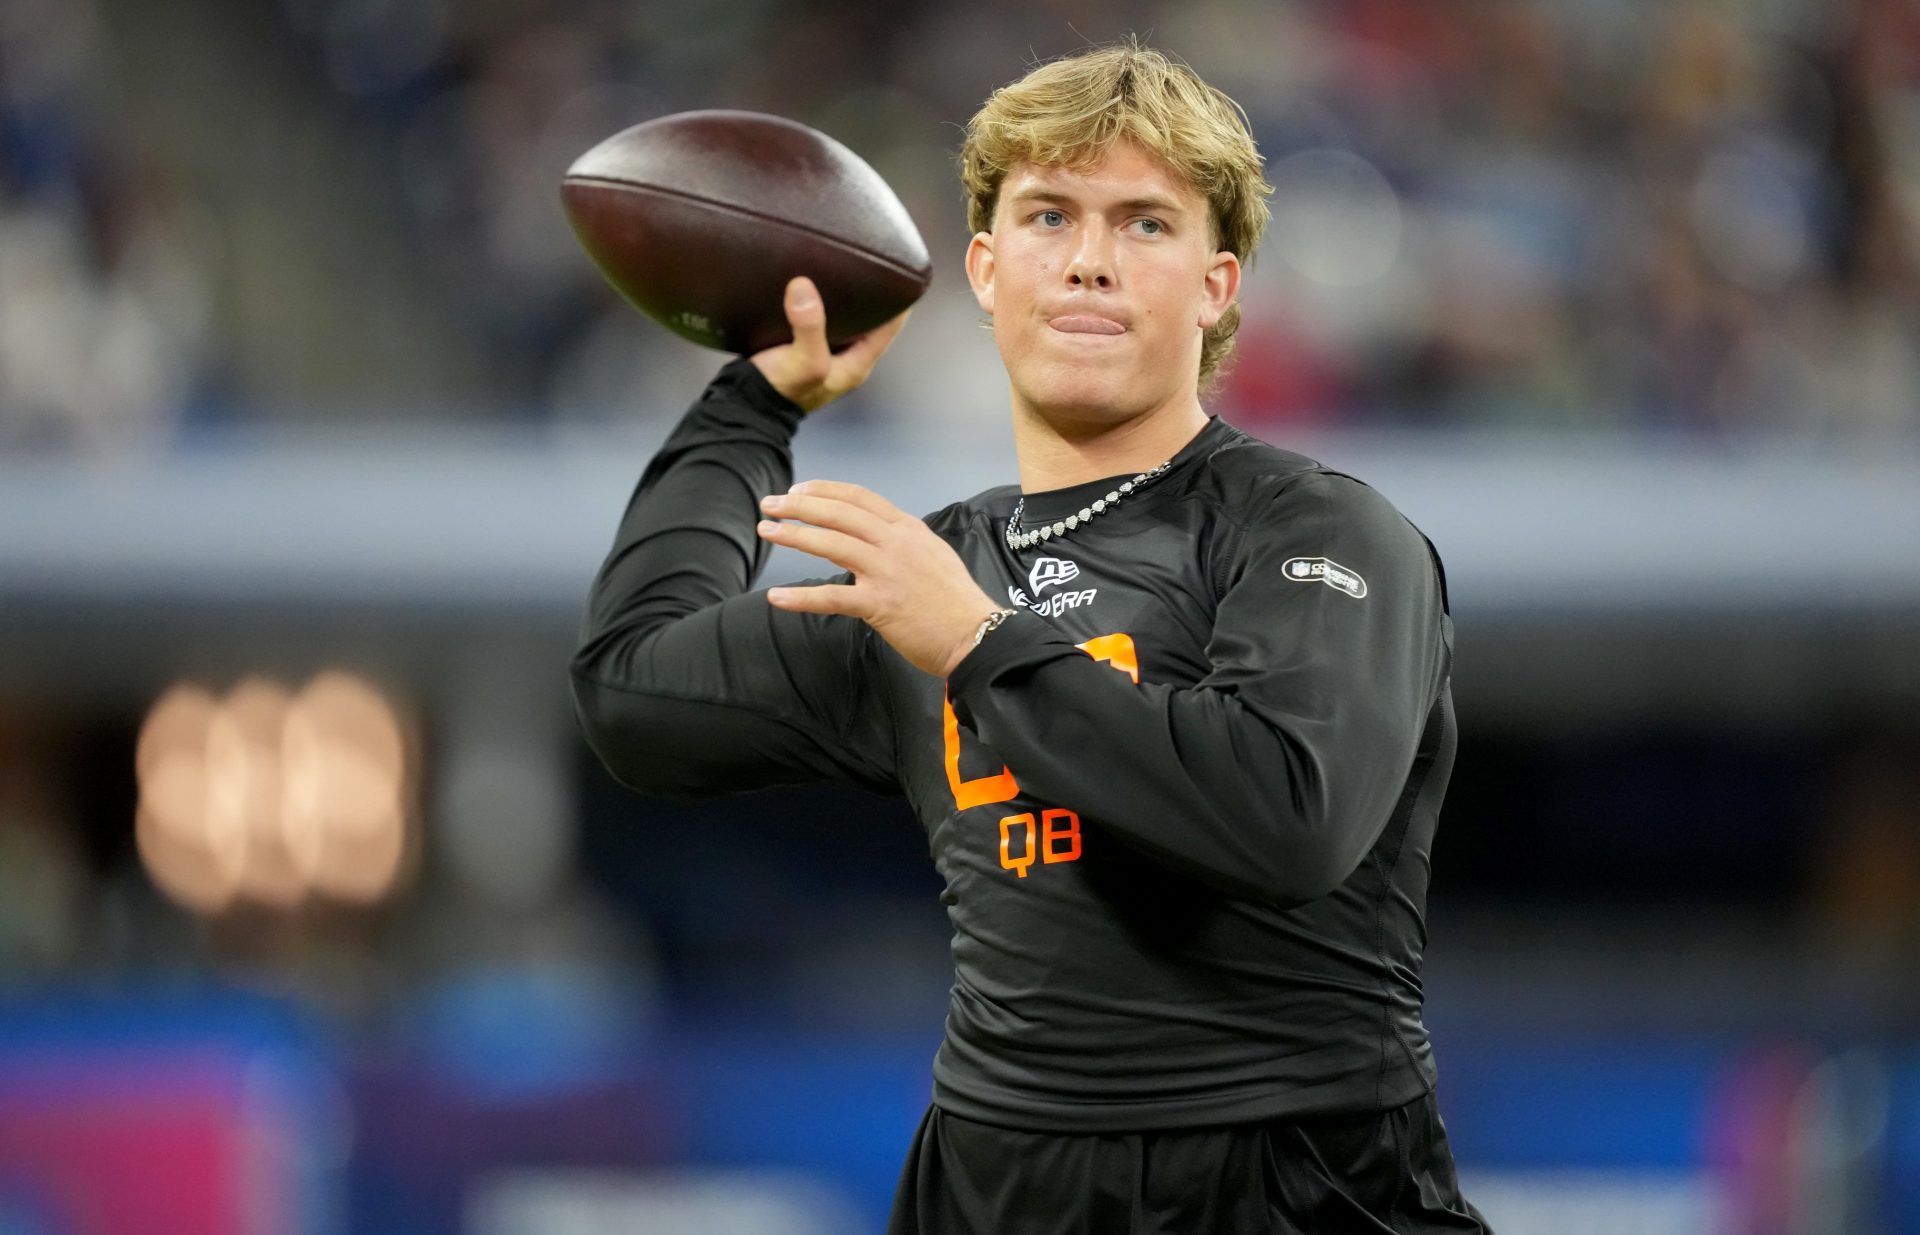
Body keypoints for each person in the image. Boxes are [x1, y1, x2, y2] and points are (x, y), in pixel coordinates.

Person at [569, 37, 1491, 1235]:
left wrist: (977, 641)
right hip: (998, 1184)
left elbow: (1285, 812)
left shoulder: (1317, 528)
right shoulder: (934, 575)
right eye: (1051, 216)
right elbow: (633, 694)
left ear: (1217, 286)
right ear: (988, 271)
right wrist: (752, 404)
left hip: (1290, 1182)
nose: (1092, 263)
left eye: (1145, 224)